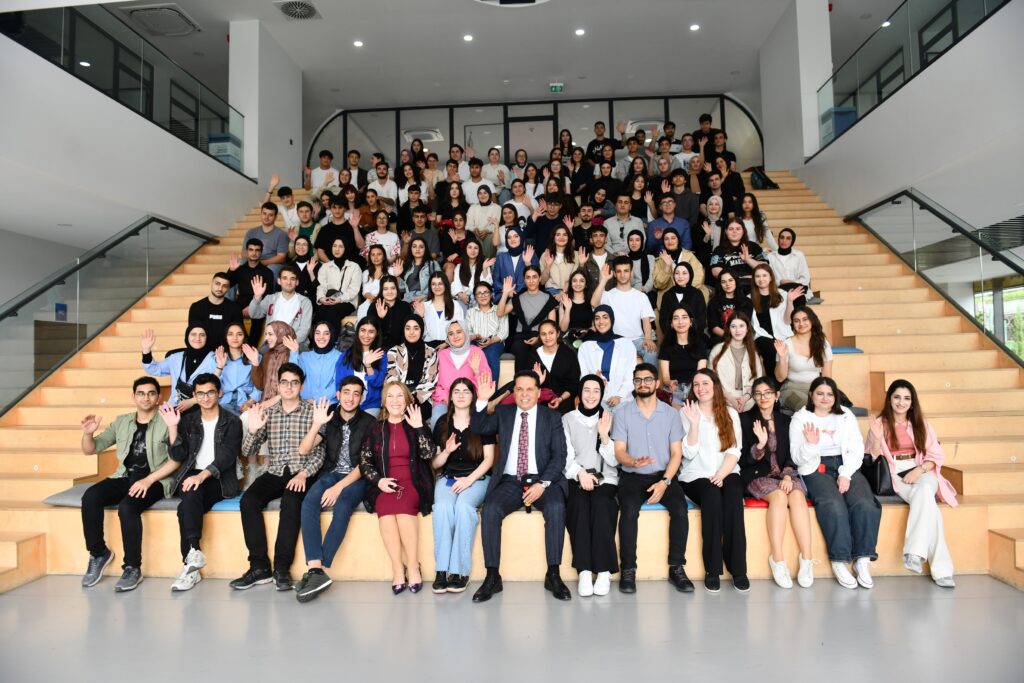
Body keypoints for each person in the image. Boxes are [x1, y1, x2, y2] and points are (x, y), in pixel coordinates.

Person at [470, 372, 571, 602]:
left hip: (543, 479)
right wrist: (483, 401)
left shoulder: (552, 417)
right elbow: (479, 427)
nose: (524, 394)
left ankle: (553, 574)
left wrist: (542, 483)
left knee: (556, 508)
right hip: (511, 481)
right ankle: (492, 576)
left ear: (538, 392)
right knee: (491, 510)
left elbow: (560, 456)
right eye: (519, 389)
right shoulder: (504, 413)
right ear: (514, 392)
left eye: (529, 389)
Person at [232, 363, 325, 591]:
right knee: (248, 501)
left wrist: (304, 474)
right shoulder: (269, 413)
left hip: (302, 471)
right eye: (284, 382)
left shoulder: (313, 412)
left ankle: (281, 569)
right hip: (275, 471)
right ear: (278, 385)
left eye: (294, 382)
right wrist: (253, 430)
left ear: (301, 385)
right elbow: (247, 450)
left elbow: (320, 452)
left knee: (291, 502)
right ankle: (259, 567)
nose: (289, 387)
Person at [78, 377, 176, 592]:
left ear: (159, 397)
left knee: (127, 507)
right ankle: (98, 553)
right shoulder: (122, 422)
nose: (146, 398)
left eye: (151, 393)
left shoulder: (168, 420)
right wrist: (88, 434)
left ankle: (132, 567)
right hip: (124, 476)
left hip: (156, 479)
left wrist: (148, 480)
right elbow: (90, 449)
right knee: (90, 497)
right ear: (133, 397)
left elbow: (176, 459)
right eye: (141, 393)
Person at [791, 377, 880, 590]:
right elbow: (797, 457)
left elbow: (856, 448)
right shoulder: (800, 418)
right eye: (820, 393)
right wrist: (811, 445)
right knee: (833, 504)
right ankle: (840, 560)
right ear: (811, 395)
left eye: (830, 394)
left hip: (847, 465)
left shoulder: (846, 415)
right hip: (815, 467)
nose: (825, 398)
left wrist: (846, 474)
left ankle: (862, 559)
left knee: (865, 503)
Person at [866, 380, 957, 588]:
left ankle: (914, 552)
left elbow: (936, 456)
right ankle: (941, 570)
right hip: (893, 470)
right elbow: (873, 458)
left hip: (922, 468)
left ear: (912, 402)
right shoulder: (879, 423)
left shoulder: (921, 423)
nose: (901, 402)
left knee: (924, 488)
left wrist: (919, 470)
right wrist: (877, 438)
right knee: (929, 506)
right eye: (897, 397)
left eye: (906, 398)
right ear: (890, 399)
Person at [612, 363, 693, 594]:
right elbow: (619, 452)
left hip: (663, 475)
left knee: (680, 509)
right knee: (628, 511)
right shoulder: (623, 413)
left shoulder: (670, 414)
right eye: (638, 380)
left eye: (648, 379)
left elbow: (676, 454)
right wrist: (631, 461)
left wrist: (664, 482)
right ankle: (628, 569)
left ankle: (676, 568)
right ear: (634, 384)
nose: (643, 384)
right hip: (632, 476)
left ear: (657, 383)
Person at [293, 379, 375, 602]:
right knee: (309, 502)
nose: (350, 398)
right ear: (338, 395)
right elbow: (303, 450)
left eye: (356, 394)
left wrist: (338, 487)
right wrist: (316, 424)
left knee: (343, 504)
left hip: (358, 476)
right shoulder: (329, 418)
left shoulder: (369, 422)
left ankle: (317, 571)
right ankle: (315, 569)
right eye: (346, 392)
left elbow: (365, 464)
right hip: (331, 472)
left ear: (362, 398)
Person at [164, 374, 242, 592]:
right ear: (194, 395)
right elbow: (177, 455)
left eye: (210, 393)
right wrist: (172, 427)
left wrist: (202, 475)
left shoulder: (232, 421)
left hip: (218, 478)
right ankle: (193, 557)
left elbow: (227, 456)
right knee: (190, 495)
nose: (205, 398)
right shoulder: (187, 420)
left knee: (185, 506)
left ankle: (190, 565)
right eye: (200, 394)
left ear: (219, 393)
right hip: (190, 475)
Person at [360, 381, 435, 594]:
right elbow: (364, 462)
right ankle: (397, 568)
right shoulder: (375, 428)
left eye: (400, 396)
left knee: (403, 512)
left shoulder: (416, 424)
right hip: (384, 483)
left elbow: (428, 454)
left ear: (407, 400)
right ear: (384, 401)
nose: (395, 400)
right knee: (385, 511)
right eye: (390, 396)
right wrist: (379, 481)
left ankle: (413, 566)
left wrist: (419, 426)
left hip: (413, 481)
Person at [740, 376, 814, 589]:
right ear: (753, 397)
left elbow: (792, 454)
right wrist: (760, 446)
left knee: (797, 495)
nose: (763, 397)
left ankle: (807, 559)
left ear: (776, 395)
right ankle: (778, 559)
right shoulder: (744, 419)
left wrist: (789, 475)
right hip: (757, 474)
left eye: (767, 393)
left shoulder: (786, 421)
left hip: (784, 474)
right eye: (758, 394)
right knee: (780, 497)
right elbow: (743, 459)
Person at [678, 369, 748, 593]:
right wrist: (694, 424)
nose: (700, 388)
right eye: (696, 384)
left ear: (715, 385)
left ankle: (738, 569)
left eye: (705, 383)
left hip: (726, 471)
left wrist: (721, 475)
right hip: (695, 474)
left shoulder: (730, 413)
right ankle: (713, 569)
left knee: (733, 495)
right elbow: (688, 453)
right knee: (711, 495)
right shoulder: (686, 412)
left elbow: (734, 450)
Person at [430, 378, 497, 594]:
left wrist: (469, 480)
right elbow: (435, 464)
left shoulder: (483, 421)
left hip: (477, 478)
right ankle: (442, 570)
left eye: (466, 391)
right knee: (442, 507)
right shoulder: (442, 423)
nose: (460, 395)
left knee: (463, 507)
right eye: (456, 391)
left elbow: (489, 460)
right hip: (448, 477)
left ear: (473, 396)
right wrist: (447, 451)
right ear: (450, 397)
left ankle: (459, 572)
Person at [562, 375, 618, 597]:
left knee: (602, 504)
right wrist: (580, 473)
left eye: (596, 391)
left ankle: (604, 571)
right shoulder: (567, 419)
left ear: (601, 394)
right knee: (578, 505)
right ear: (580, 392)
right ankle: (584, 570)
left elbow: (614, 460)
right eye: (587, 390)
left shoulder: (610, 418)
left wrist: (604, 437)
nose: (591, 395)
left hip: (605, 478)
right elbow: (565, 455)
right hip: (576, 476)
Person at [592, 256, 658, 367]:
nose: (622, 275)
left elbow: (646, 321)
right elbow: (594, 303)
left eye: (626, 271)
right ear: (614, 274)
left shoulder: (641, 296)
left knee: (651, 351)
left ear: (631, 273)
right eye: (619, 271)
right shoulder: (608, 295)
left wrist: (648, 338)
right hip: (616, 340)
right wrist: (604, 280)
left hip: (638, 340)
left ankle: (651, 378)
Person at [140, 324, 217, 411]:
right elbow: (154, 369)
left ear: (207, 337)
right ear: (187, 336)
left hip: (203, 409)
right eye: (193, 334)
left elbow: (218, 389)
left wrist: (192, 401)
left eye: (202, 335)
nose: (198, 338)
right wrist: (146, 351)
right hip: (174, 408)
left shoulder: (214, 359)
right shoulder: (176, 357)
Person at [749, 263, 802, 379]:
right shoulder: (749, 298)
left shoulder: (782, 294)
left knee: (789, 352)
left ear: (771, 277)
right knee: (771, 349)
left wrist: (790, 302)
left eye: (764, 275)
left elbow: (788, 321)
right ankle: (774, 383)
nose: (761, 279)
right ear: (754, 279)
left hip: (783, 335)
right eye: (757, 276)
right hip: (761, 336)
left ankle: (788, 382)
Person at [431, 321, 488, 428]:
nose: (455, 336)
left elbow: (486, 385)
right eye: (451, 334)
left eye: (459, 332)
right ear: (447, 337)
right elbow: (433, 384)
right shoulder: (441, 355)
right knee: (437, 419)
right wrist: (447, 397)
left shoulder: (477, 353)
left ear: (465, 333)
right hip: (445, 401)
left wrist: (476, 371)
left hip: (470, 401)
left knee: (473, 423)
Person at [498, 266, 557, 370]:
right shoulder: (518, 298)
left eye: (534, 277)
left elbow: (552, 326)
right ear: (524, 280)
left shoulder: (548, 298)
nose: (531, 281)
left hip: (542, 336)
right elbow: (499, 313)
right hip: (521, 337)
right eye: (528, 277)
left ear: (540, 278)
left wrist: (539, 338)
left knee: (540, 352)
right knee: (518, 348)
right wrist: (505, 293)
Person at [775, 307, 833, 411]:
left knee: (837, 407)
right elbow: (780, 378)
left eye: (805, 319)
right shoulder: (786, 344)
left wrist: (826, 393)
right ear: (792, 324)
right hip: (792, 389)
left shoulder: (823, 343)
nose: (801, 324)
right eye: (796, 321)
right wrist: (782, 358)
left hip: (816, 388)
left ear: (812, 320)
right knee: (809, 408)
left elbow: (827, 376)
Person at [386, 313, 439, 420]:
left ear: (421, 330)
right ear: (403, 330)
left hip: (422, 398)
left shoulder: (431, 352)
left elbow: (431, 380)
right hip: (398, 397)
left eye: (416, 328)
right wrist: (402, 397)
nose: (411, 332)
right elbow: (392, 377)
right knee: (396, 412)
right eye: (408, 328)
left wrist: (414, 397)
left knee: (414, 415)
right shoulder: (393, 352)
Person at [709, 312, 763, 412]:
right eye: (733, 326)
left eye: (741, 326)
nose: (738, 330)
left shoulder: (753, 353)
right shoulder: (717, 350)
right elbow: (711, 380)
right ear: (728, 329)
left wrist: (745, 398)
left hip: (749, 400)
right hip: (723, 400)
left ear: (747, 328)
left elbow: (758, 381)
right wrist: (730, 398)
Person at [523, 319, 580, 414]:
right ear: (539, 336)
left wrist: (560, 399)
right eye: (543, 334)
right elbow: (525, 385)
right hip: (539, 399)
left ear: (558, 334)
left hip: (563, 399)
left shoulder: (569, 354)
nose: (547, 337)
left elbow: (573, 385)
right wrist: (538, 382)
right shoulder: (532, 356)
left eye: (551, 333)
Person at [249, 265, 315, 345]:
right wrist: (257, 297)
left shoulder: (305, 302)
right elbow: (254, 314)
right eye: (285, 278)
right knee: (259, 352)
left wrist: (285, 344)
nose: (288, 282)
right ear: (279, 281)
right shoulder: (270, 299)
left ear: (297, 282)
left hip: (296, 344)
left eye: (292, 279)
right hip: (271, 343)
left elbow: (304, 331)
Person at [228, 239, 276, 346]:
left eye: (257, 250)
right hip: (241, 302)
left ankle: (252, 347)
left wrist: (251, 307)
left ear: (261, 252)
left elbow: (268, 294)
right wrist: (231, 270)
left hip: (259, 302)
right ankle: (245, 341)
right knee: (231, 311)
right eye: (251, 250)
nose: (254, 253)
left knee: (258, 317)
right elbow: (228, 284)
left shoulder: (267, 272)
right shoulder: (240, 269)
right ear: (247, 251)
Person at [658, 304, 708, 407]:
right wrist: (669, 382)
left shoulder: (700, 344)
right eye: (676, 318)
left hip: (694, 390)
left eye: (684, 317)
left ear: (691, 321)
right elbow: (665, 376)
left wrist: (693, 393)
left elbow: (700, 374)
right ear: (671, 323)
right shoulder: (666, 346)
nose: (680, 322)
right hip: (674, 390)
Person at [334, 317, 386, 416]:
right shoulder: (347, 354)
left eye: (371, 332)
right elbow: (339, 380)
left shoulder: (381, 355)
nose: (366, 335)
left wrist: (368, 366)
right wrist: (339, 392)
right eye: (363, 330)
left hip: (370, 404)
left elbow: (378, 383)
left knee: (365, 425)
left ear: (377, 334)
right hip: (348, 401)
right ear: (357, 331)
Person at [286, 320, 341, 403]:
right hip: (304, 403)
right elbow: (294, 376)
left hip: (328, 404)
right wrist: (294, 352)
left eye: (326, 333)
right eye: (317, 333)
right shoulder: (305, 356)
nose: (321, 337)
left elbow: (337, 384)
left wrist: (316, 399)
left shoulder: (339, 357)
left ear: (332, 335)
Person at [465, 281, 508, 380]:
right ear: (475, 297)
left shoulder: (500, 309)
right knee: (473, 354)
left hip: (495, 343)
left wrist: (491, 341)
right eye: (479, 293)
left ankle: (492, 387)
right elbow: (468, 332)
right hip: (476, 342)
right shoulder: (470, 312)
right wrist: (475, 336)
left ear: (491, 294)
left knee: (490, 353)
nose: (483, 296)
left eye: (486, 292)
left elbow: (504, 332)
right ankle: (473, 386)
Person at [710, 220, 768, 291]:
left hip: (754, 285)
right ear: (726, 231)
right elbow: (716, 272)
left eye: (738, 229)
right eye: (731, 229)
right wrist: (739, 278)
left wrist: (748, 260)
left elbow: (765, 267)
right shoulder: (719, 249)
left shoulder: (754, 246)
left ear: (743, 231)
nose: (734, 231)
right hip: (731, 286)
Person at [214, 322, 260, 414]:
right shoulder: (217, 357)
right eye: (230, 334)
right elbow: (210, 385)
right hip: (224, 402)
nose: (235, 338)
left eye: (239, 334)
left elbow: (260, 386)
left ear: (244, 337)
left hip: (248, 401)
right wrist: (220, 367)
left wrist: (249, 403)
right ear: (226, 338)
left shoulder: (254, 356)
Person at [656, 261, 707, 342]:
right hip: (672, 339)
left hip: (694, 338)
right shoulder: (667, 295)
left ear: (690, 275)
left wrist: (687, 336)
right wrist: (675, 337)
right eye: (677, 273)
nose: (680, 276)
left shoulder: (697, 294)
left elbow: (701, 319)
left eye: (684, 273)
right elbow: (663, 320)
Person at [188, 272, 243, 347]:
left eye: (224, 286)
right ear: (211, 284)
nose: (220, 288)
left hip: (226, 349)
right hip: (203, 349)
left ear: (228, 289)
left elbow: (238, 333)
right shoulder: (196, 307)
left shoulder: (235, 308)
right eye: (217, 284)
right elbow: (194, 334)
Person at [315, 238, 362, 323]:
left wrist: (340, 299)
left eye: (341, 246)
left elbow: (353, 290)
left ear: (346, 248)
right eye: (334, 246)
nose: (337, 249)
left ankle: (332, 332)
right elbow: (322, 286)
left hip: (347, 302)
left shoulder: (354, 267)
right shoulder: (325, 267)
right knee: (319, 313)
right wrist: (321, 298)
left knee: (333, 312)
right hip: (329, 300)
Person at [767, 228, 813, 307]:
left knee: (798, 298)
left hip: (797, 290)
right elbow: (768, 278)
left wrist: (790, 282)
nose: (784, 240)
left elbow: (805, 279)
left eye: (788, 238)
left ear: (792, 241)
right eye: (782, 237)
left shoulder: (799, 255)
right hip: (779, 290)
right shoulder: (770, 256)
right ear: (778, 239)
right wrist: (780, 282)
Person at [707, 269, 753, 348]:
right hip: (721, 337)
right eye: (723, 282)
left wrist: (737, 336)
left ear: (736, 281)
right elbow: (714, 327)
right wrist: (729, 337)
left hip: (741, 336)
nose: (727, 284)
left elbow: (745, 324)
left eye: (730, 280)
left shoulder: (747, 302)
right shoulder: (713, 302)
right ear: (720, 284)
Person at [367, 275, 414, 350]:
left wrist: (401, 349)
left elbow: (407, 331)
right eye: (385, 289)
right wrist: (381, 319)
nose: (390, 292)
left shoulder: (405, 307)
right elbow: (370, 332)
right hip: (378, 349)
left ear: (397, 289)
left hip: (400, 349)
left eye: (393, 288)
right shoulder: (374, 306)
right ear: (381, 290)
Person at [417, 272, 464, 346]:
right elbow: (422, 333)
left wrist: (447, 343)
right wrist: (421, 316)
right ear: (430, 286)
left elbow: (461, 329)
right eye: (433, 284)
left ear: (445, 285)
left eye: (440, 284)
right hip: (429, 346)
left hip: (449, 345)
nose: (437, 287)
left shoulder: (455, 305)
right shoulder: (424, 306)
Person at [492, 226, 538, 298]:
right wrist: (507, 290)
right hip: (505, 296)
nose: (512, 239)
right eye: (509, 237)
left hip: (527, 295)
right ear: (506, 240)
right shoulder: (500, 257)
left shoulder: (530, 253)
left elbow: (536, 279)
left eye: (516, 236)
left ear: (521, 237)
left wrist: (527, 263)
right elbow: (496, 281)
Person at [243, 202, 290, 274]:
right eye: (264, 213)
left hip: (272, 264)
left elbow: (281, 257)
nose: (266, 217)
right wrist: (253, 261)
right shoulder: (251, 232)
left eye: (270, 215)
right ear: (261, 214)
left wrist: (261, 263)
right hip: (253, 261)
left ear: (275, 217)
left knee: (271, 269)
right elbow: (244, 253)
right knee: (240, 262)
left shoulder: (281, 234)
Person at [450, 238, 494, 309]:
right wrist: (461, 295)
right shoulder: (459, 266)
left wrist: (484, 268)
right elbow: (456, 283)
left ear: (479, 251)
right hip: (463, 299)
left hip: (480, 300)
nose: (473, 250)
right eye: (470, 247)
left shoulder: (484, 264)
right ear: (465, 249)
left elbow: (487, 285)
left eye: (476, 248)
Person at [397, 236, 440, 303]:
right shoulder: (408, 266)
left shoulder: (432, 264)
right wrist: (397, 275)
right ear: (410, 249)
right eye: (414, 246)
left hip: (426, 299)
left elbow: (440, 284)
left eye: (421, 247)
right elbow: (402, 289)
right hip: (408, 299)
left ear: (425, 249)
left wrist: (425, 296)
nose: (417, 249)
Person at [555, 269, 594, 344]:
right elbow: (563, 328)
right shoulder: (564, 300)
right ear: (571, 284)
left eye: (581, 281)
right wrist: (568, 309)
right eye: (574, 281)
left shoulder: (592, 301)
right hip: (568, 340)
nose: (578, 283)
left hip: (588, 339)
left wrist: (587, 331)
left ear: (586, 284)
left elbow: (595, 325)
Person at [539, 224, 577, 294]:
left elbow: (577, 276)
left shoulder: (576, 255)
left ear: (568, 238)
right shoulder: (545, 255)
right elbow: (542, 282)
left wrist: (564, 292)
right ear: (553, 238)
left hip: (570, 291)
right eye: (558, 234)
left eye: (565, 235)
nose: (561, 237)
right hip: (551, 291)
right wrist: (548, 266)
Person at [288, 236, 319, 304]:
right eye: (298, 244)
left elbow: (319, 289)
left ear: (309, 247)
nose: (301, 247)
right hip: (291, 302)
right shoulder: (289, 266)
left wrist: (311, 272)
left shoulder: (316, 265)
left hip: (310, 302)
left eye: (304, 244)